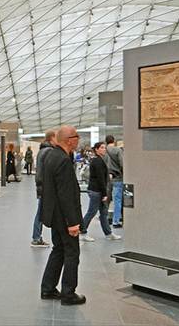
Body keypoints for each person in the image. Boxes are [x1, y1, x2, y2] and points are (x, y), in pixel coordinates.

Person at [40, 125, 86, 306]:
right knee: (72, 252)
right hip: (64, 217)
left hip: (54, 215)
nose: (78, 139)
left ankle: (48, 288)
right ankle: (68, 293)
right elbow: (66, 194)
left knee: (58, 250)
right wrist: (73, 222)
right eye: (77, 136)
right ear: (69, 140)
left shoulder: (51, 156)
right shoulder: (63, 160)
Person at [80, 142, 121, 242]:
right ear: (97, 150)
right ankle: (83, 232)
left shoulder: (99, 160)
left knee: (103, 213)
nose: (104, 149)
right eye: (102, 148)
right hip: (96, 191)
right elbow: (100, 179)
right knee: (92, 212)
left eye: (104, 147)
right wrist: (104, 194)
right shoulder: (97, 161)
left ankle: (108, 233)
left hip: (97, 190)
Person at [31, 130, 56, 248]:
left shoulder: (43, 150)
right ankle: (36, 238)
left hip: (42, 186)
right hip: (45, 186)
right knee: (41, 213)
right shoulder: (49, 151)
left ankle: (37, 237)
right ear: (51, 138)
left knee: (41, 212)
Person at [104, 135, 124, 228]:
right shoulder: (117, 150)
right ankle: (116, 221)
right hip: (117, 178)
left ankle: (105, 219)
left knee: (106, 199)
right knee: (117, 200)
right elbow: (122, 163)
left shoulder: (103, 151)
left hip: (107, 179)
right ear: (114, 141)